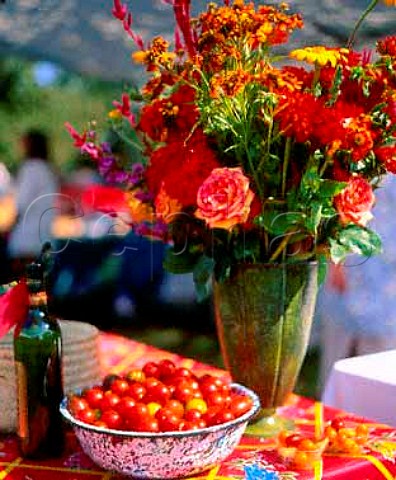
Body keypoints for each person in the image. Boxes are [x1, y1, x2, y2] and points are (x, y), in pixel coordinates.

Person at [317, 173, 396, 395]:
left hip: (388, 288)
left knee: (379, 379)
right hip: (350, 268)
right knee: (335, 368)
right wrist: (336, 260)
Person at [7, 129, 59, 277]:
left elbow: (21, 203)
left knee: (23, 291)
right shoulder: (49, 169)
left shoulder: (30, 168)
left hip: (26, 241)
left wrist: (9, 228)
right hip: (45, 239)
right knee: (39, 294)